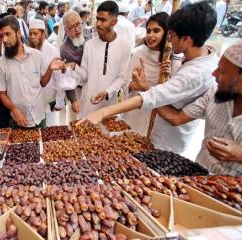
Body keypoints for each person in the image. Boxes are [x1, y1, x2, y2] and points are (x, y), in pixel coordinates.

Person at [79, 1, 218, 155]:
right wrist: (139, 86)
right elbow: (143, 90)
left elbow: (161, 103)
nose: (169, 40)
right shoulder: (198, 60)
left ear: (186, 40)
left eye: (170, 35)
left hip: (167, 144)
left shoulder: (194, 72)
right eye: (148, 31)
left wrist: (103, 112)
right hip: (149, 128)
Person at [156, 42, 242, 176]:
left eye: (222, 71)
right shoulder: (214, 93)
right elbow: (176, 118)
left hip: (232, 191)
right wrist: (146, 93)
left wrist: (239, 155)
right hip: (198, 176)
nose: (214, 74)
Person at [0, 16, 66, 128]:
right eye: (1, 35)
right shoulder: (0, 64)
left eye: (8, 34)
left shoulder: (36, 56)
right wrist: (14, 110)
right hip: (18, 120)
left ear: (18, 33)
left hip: (39, 117)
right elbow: (2, 94)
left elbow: (42, 83)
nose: (4, 40)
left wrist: (50, 69)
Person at [66, 0, 131, 118]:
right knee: (84, 134)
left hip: (109, 106)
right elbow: (85, 76)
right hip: (88, 105)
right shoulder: (89, 45)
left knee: (107, 135)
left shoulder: (125, 46)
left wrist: (107, 92)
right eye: (98, 19)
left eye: (103, 20)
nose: (98, 24)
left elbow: (123, 77)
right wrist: (75, 67)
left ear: (114, 22)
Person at [125, 12, 181, 135]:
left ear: (167, 33)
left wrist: (168, 77)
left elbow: (174, 95)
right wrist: (131, 85)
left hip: (157, 113)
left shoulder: (172, 60)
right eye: (148, 31)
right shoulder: (139, 53)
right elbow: (127, 80)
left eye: (156, 31)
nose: (150, 35)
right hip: (136, 110)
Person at [28, 19, 65, 126]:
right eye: (30, 33)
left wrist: (59, 99)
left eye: (35, 33)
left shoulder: (53, 50)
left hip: (48, 98)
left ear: (43, 34)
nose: (32, 36)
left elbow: (58, 78)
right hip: (32, 101)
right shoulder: (27, 50)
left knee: (49, 129)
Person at [60, 10, 93, 114]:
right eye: (72, 27)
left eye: (79, 24)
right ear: (66, 30)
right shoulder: (65, 49)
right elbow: (67, 78)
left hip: (94, 83)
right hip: (78, 88)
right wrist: (73, 100)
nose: (78, 29)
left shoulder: (88, 33)